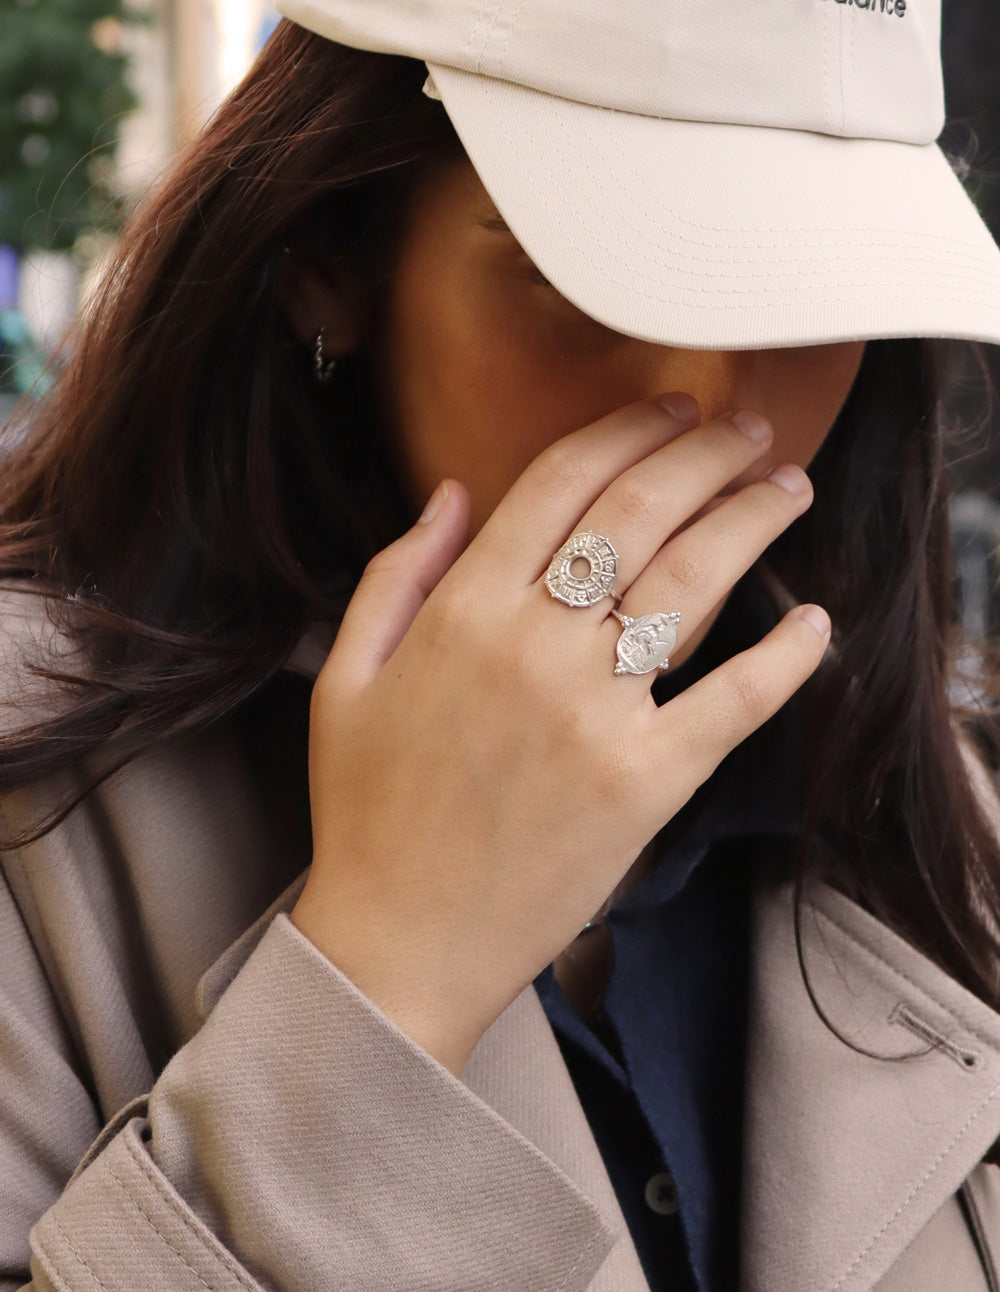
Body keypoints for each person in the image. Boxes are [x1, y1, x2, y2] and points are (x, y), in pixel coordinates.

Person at [2, 2, 1000, 1289]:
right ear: (329, 252)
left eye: (802, 294)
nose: (712, 404)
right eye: (583, 282)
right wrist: (385, 974)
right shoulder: (38, 796)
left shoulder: (938, 823)